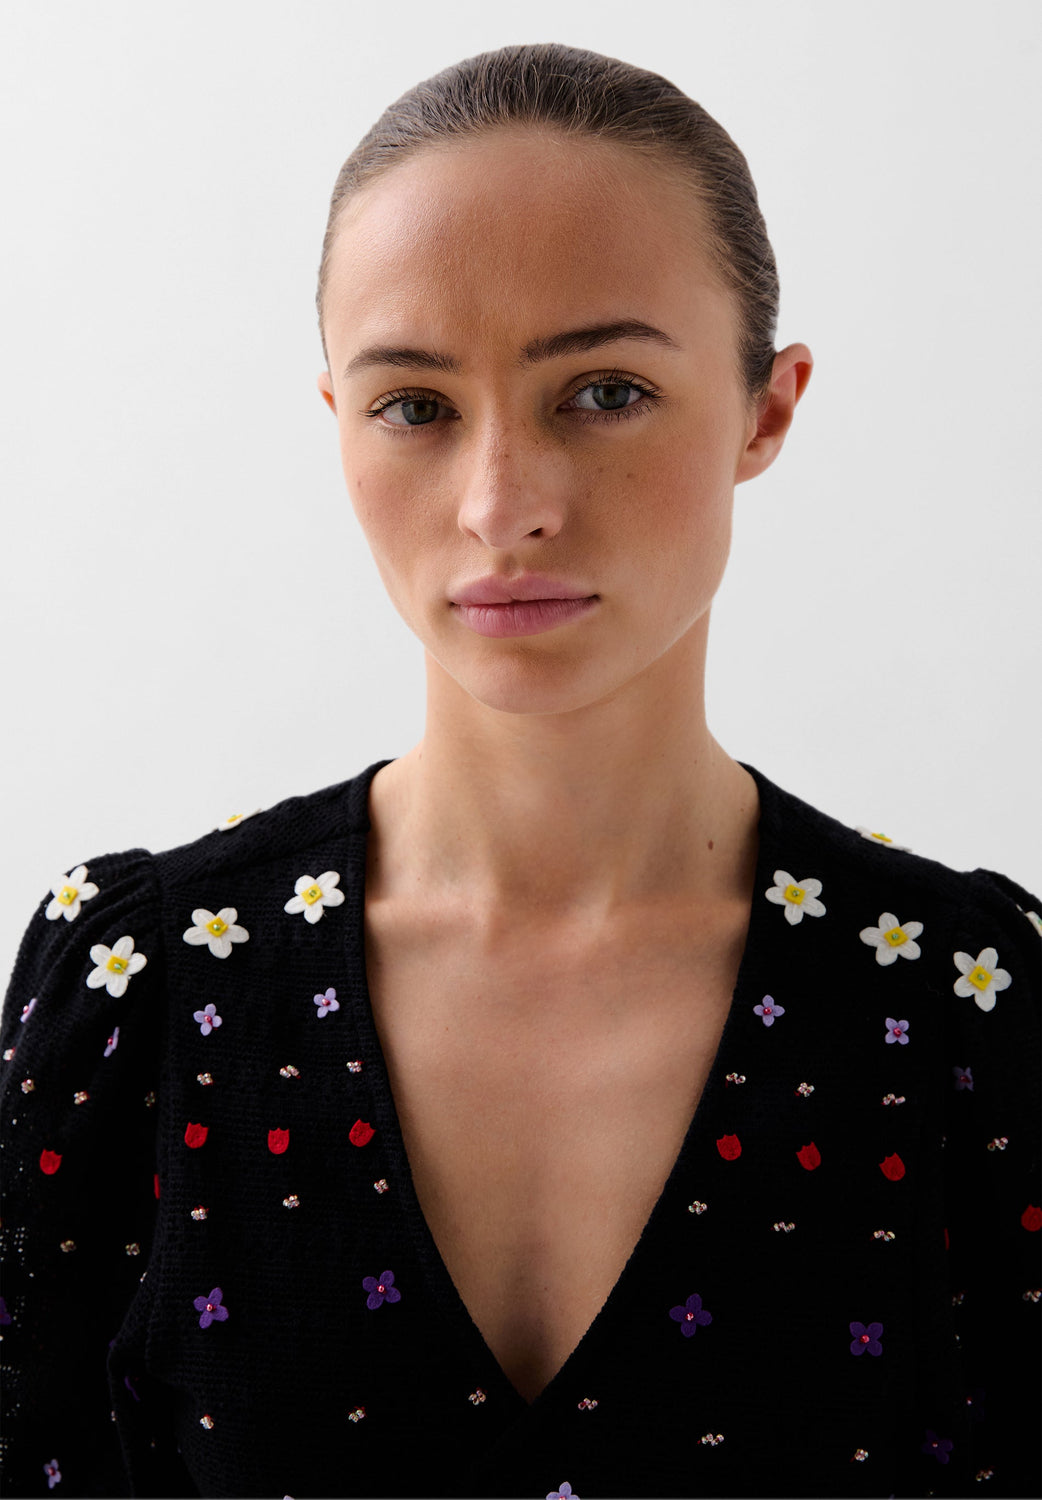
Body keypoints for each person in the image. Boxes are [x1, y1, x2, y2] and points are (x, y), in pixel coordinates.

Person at [1, 41, 1038, 1500]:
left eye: (603, 391)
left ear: (768, 406)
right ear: (338, 424)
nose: (502, 506)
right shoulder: (141, 993)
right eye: (415, 406)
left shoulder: (962, 1008)